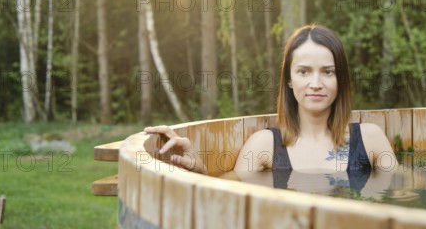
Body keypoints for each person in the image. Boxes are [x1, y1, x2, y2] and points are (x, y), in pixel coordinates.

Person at [144, 24, 397, 192]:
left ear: (340, 78)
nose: (316, 84)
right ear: (289, 79)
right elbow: (224, 194)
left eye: (328, 72)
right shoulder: (265, 145)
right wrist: (198, 169)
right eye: (304, 72)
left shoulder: (369, 139)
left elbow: (408, 188)